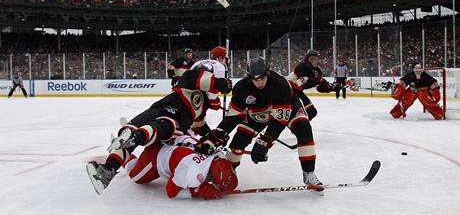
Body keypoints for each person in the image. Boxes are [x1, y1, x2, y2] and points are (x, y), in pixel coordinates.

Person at [86, 46, 232, 194]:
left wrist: (213, 135)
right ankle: (107, 170)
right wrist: (222, 83)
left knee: (158, 125)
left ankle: (135, 137)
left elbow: (199, 126)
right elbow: (200, 79)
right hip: (162, 107)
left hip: (174, 122)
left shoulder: (202, 104)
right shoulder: (191, 80)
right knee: (128, 129)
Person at [195, 57, 323, 187]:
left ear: (267, 73)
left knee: (303, 127)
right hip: (258, 112)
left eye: (262, 78)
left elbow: (279, 121)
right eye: (256, 79)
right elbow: (233, 117)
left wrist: (265, 141)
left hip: (289, 105)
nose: (260, 83)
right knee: (238, 141)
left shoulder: (280, 85)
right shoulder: (241, 88)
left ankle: (309, 174)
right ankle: (226, 173)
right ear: (249, 77)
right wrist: (217, 135)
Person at [90, 134, 238, 200]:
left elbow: (230, 180)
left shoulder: (219, 155)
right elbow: (171, 191)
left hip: (173, 137)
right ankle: (120, 149)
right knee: (135, 176)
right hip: (156, 156)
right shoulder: (191, 172)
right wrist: (197, 191)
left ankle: (142, 135)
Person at [286, 49, 341, 120]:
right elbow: (301, 83)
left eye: (316, 59)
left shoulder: (317, 70)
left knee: (311, 112)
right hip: (288, 89)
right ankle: (298, 126)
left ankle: (299, 128)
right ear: (308, 59)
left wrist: (330, 88)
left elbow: (318, 87)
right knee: (301, 114)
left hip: (297, 91)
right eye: (312, 59)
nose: (315, 60)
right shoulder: (303, 65)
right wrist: (318, 80)